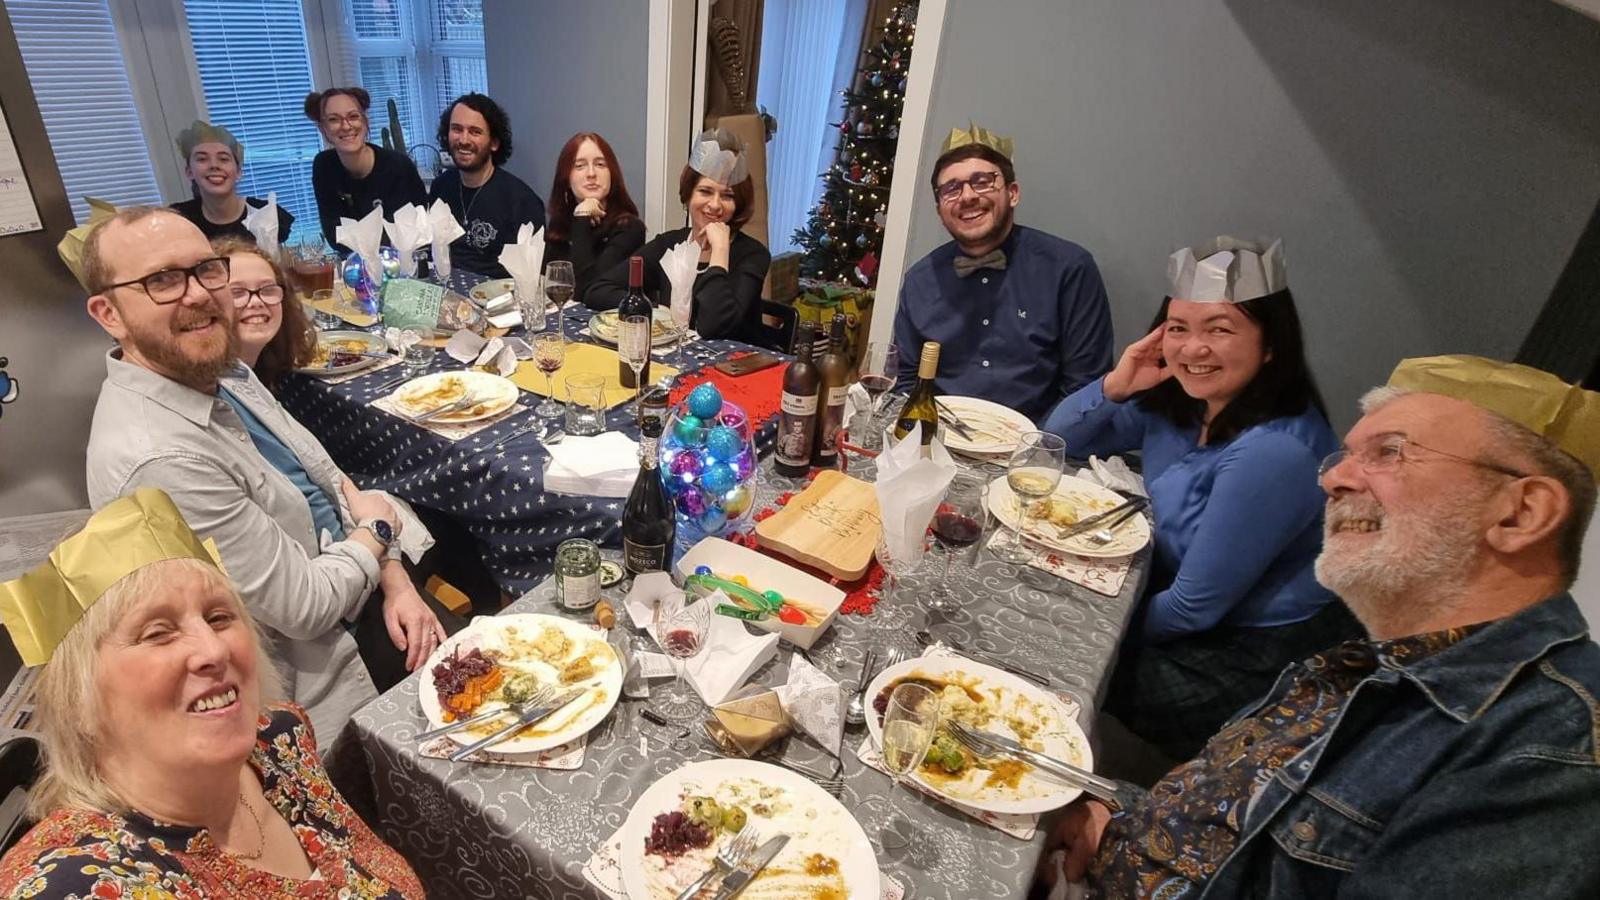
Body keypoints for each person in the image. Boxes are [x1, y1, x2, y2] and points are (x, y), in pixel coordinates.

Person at [1046, 356, 1600, 898]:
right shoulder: (1369, 660)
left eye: (1389, 453)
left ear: (1521, 513)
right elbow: (1235, 831)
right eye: (1346, 455)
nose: (1334, 478)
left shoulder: (1551, 753)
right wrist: (1117, 816)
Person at [79, 206, 446, 741]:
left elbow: (329, 477)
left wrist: (395, 578)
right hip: (319, 678)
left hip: (363, 587)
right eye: (161, 280)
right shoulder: (161, 458)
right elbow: (306, 609)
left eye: (206, 269)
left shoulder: (221, 370)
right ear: (108, 313)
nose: (200, 294)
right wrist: (378, 533)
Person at [0, 489, 425, 897]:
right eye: (158, 633)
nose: (213, 649)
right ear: (79, 699)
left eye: (219, 617)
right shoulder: (77, 884)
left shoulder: (279, 741)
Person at [1042, 238, 1357, 760]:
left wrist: (1093, 634)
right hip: (1166, 592)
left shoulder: (1274, 450)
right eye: (1179, 329)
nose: (1193, 349)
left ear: (1271, 344)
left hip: (1241, 651)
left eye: (1220, 329)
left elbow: (1193, 609)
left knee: (1054, 658)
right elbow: (1058, 444)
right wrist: (1116, 385)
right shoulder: (1183, 402)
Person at [892, 123, 1112, 422]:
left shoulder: (1070, 269)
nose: (967, 196)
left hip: (1037, 444)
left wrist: (1035, 446)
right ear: (939, 210)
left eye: (982, 181)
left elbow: (1084, 387)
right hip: (938, 439)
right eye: (951, 189)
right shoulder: (920, 281)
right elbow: (906, 381)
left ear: (1013, 193)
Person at [588, 128, 771, 343]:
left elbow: (715, 326)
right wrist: (657, 312)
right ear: (688, 195)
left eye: (727, 196)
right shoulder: (670, 244)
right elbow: (598, 290)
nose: (714, 204)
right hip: (675, 360)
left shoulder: (753, 255)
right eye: (705, 191)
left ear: (738, 203)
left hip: (735, 367)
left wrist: (720, 253)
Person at [427, 93, 545, 279]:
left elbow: (529, 276)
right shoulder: (440, 187)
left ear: (495, 143)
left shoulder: (522, 201)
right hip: (446, 295)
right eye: (457, 129)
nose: (464, 140)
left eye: (475, 132)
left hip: (499, 302)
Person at [305, 87, 427, 254]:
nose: (346, 126)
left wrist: (356, 235)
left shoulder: (397, 166)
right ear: (322, 128)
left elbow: (409, 233)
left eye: (353, 116)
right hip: (355, 266)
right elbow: (335, 237)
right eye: (334, 119)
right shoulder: (324, 166)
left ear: (365, 121)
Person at [543, 132, 645, 305]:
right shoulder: (560, 223)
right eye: (580, 166)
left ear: (612, 173)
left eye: (600, 164)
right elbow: (546, 283)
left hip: (609, 325)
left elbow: (586, 291)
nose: (591, 173)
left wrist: (582, 217)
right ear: (566, 178)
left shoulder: (629, 228)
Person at [168, 120, 294, 245]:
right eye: (202, 159)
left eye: (223, 159)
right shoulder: (177, 219)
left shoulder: (266, 214)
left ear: (238, 171)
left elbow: (283, 261)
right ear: (189, 171)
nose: (214, 165)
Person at [215, 237, 315, 391]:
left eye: (268, 289)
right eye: (236, 292)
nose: (256, 301)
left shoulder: (267, 370)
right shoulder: (215, 390)